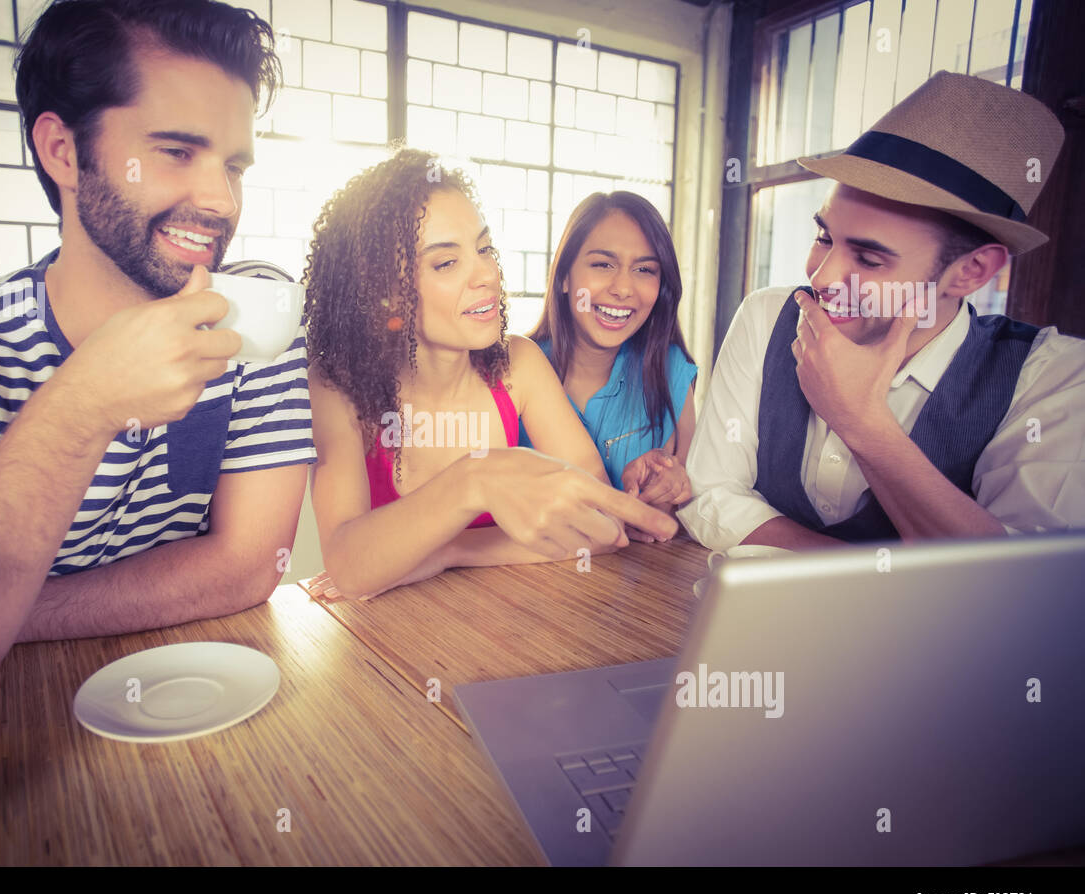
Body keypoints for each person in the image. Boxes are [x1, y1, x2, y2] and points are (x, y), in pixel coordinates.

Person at [0, 0, 313, 754]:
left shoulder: (257, 325)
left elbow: (249, 568)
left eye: (233, 165)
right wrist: (81, 408)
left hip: (213, 728)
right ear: (63, 152)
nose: (221, 201)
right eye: (177, 151)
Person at [678, 71, 1085, 552]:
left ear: (972, 271)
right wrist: (863, 573)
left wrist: (860, 421)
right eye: (824, 237)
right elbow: (712, 494)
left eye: (869, 258)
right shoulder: (768, 316)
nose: (823, 277)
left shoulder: (1052, 375)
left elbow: (1021, 588)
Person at [304, 150, 677, 601]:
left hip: (507, 628)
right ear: (382, 290)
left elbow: (600, 522)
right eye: (446, 262)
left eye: (484, 249)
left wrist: (449, 551)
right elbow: (349, 566)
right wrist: (474, 480)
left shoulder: (518, 365)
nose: (486, 275)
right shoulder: (335, 388)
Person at [522, 191, 698, 534]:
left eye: (644, 269)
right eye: (603, 264)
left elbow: (684, 515)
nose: (622, 288)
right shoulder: (510, 374)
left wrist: (671, 491)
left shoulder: (672, 371)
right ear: (563, 277)